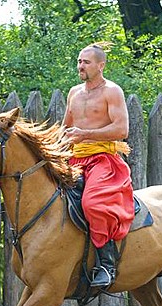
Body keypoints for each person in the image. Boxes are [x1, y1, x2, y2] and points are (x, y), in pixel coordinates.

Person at [62, 43, 135, 288]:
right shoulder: (73, 92)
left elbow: (121, 130)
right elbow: (65, 129)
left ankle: (107, 264)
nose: (80, 66)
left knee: (92, 203)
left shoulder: (112, 91)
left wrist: (85, 134)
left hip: (103, 159)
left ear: (101, 65)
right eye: (79, 61)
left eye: (86, 62)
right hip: (74, 158)